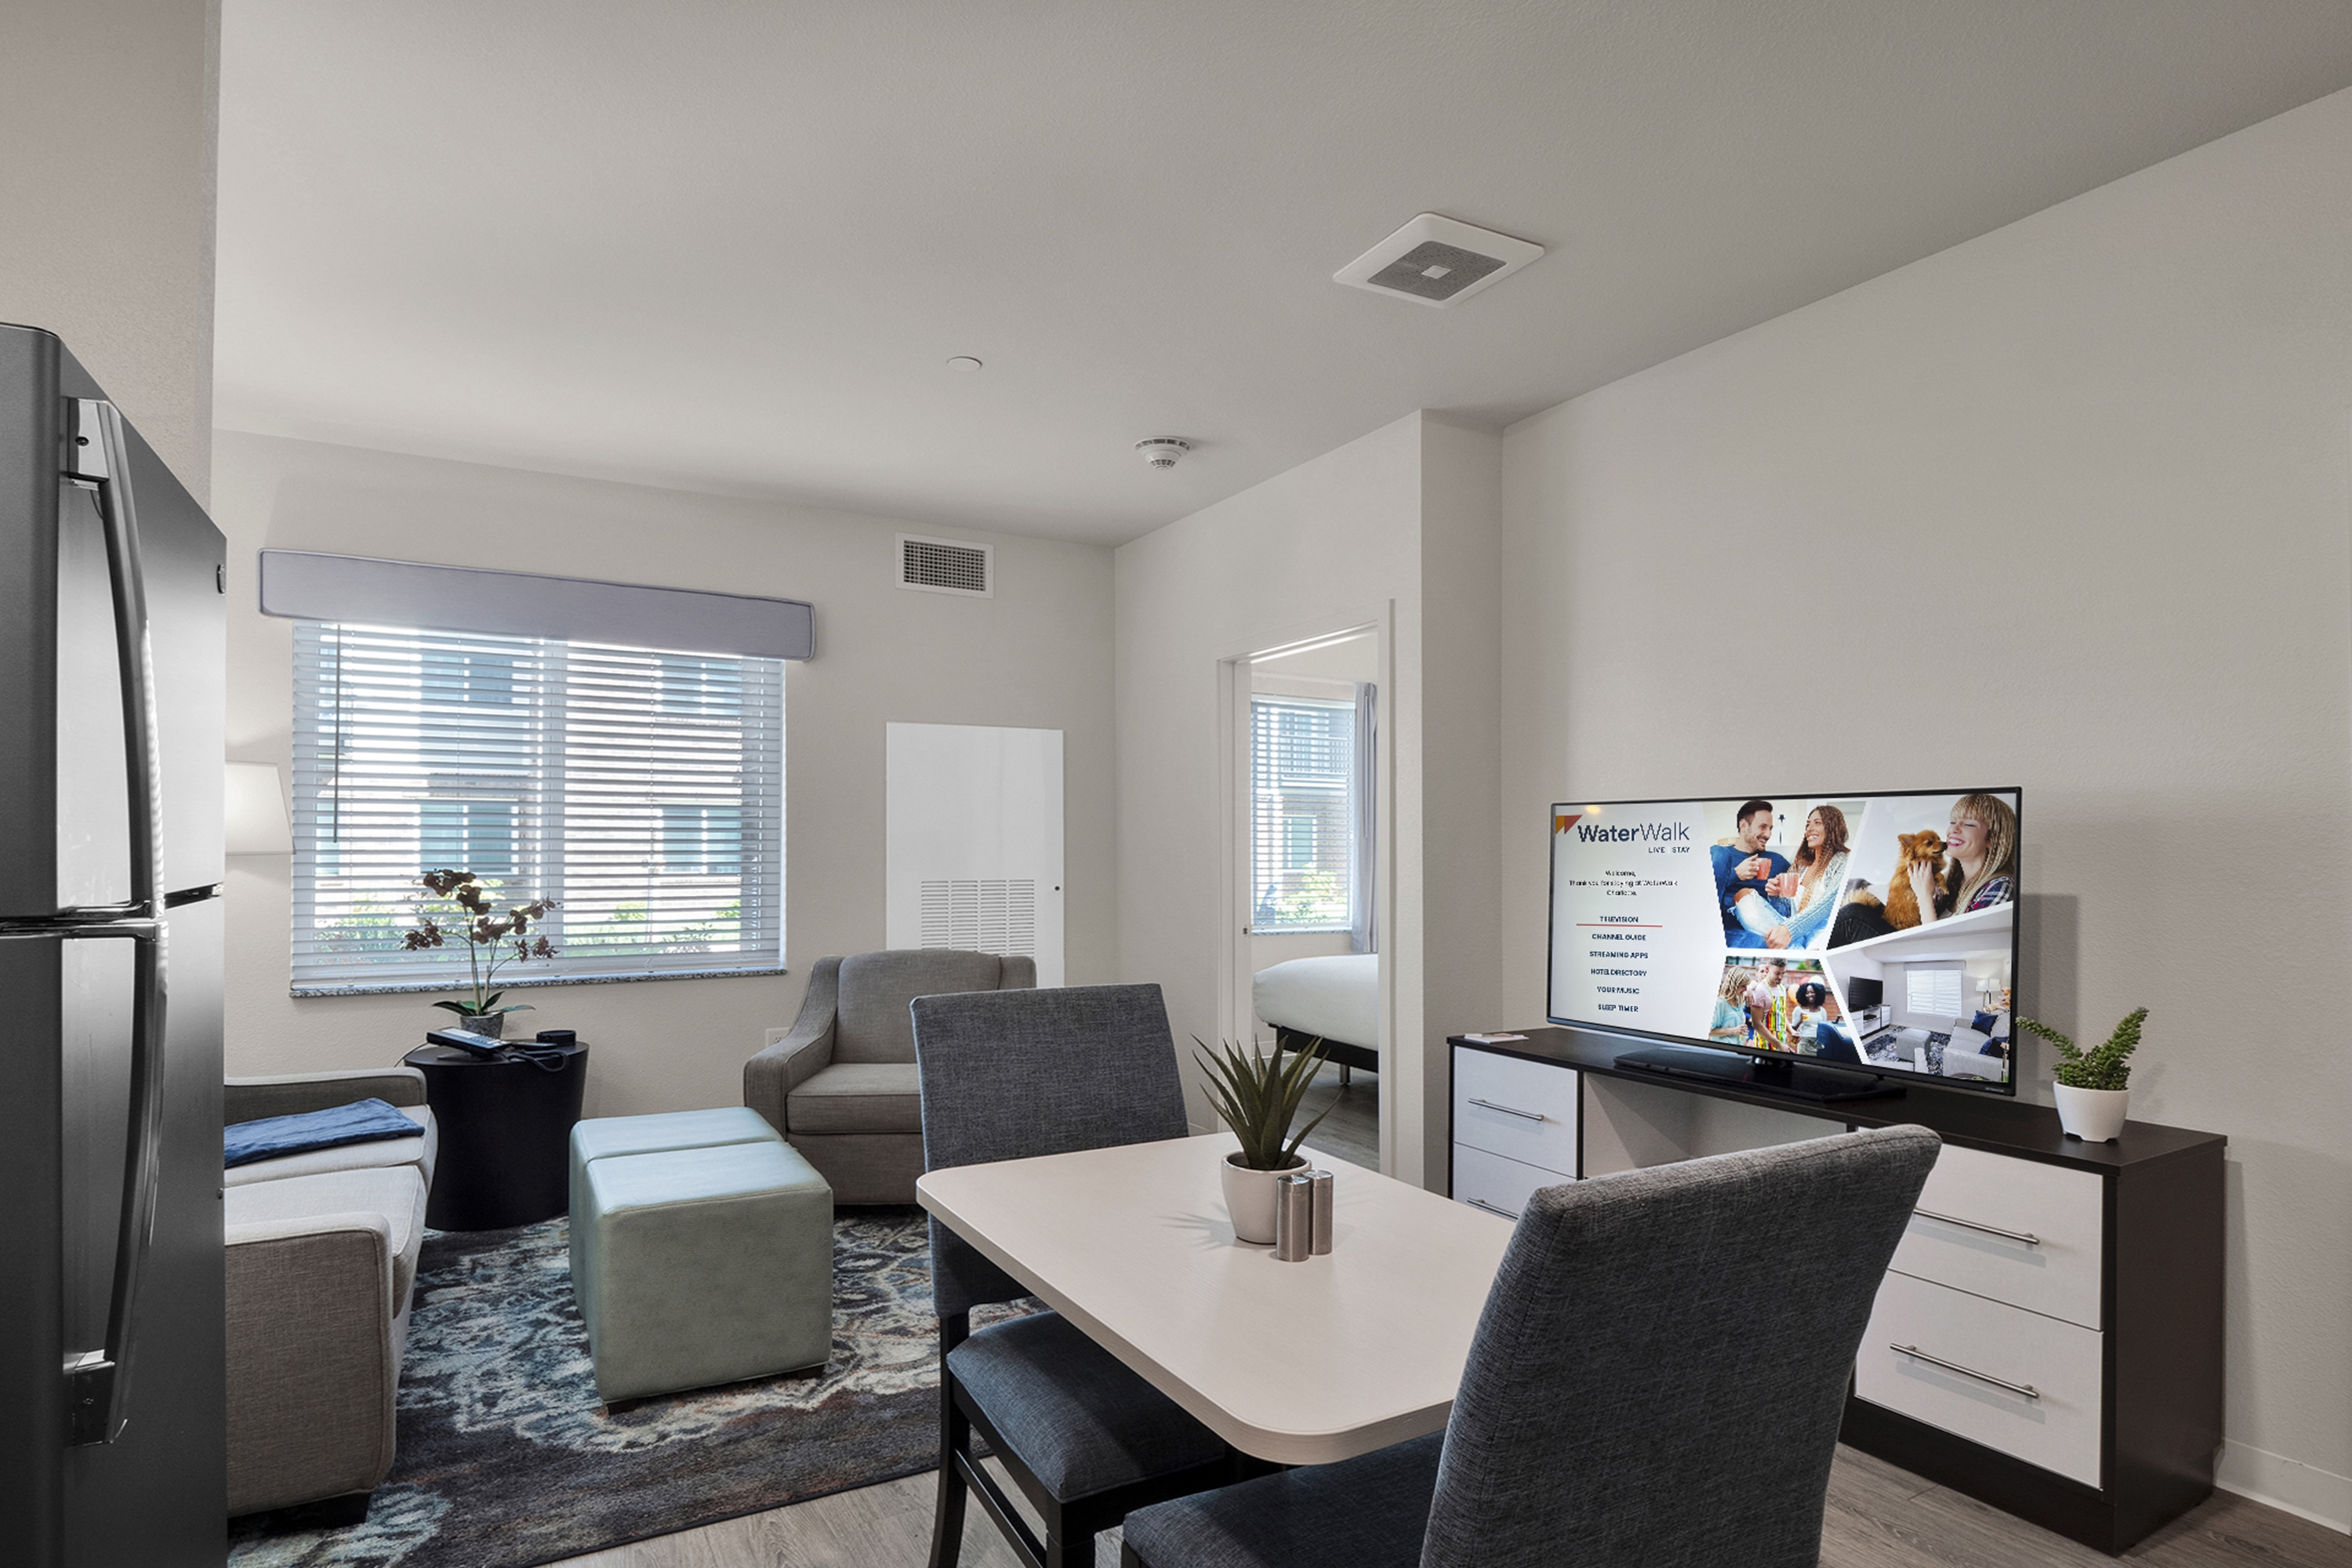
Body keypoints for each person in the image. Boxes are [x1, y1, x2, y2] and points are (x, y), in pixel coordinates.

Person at [1911, 792, 2018, 926]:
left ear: (1993, 839)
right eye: (1953, 822)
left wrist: (1924, 897)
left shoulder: (2001, 887)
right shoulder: (1948, 884)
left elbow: (1946, 941)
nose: (1953, 829)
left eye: (1969, 824)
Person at [1757, 805, 1850, 950]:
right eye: (1808, 824)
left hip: (1821, 935)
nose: (1809, 829)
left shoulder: (1844, 860)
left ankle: (1794, 949)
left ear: (1833, 827)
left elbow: (1829, 903)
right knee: (1745, 897)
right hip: (1792, 933)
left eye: (1817, 823)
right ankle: (1794, 948)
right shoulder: (1800, 866)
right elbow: (1786, 912)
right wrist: (1775, 896)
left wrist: (1789, 930)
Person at [1711, 799, 1788, 948]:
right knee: (1717, 851)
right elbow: (1699, 893)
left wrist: (1777, 896)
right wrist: (1735, 874)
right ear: (1743, 825)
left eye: (1770, 828)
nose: (1768, 834)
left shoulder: (1778, 861)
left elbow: (1794, 902)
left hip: (1754, 927)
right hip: (1722, 921)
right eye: (1763, 827)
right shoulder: (1722, 855)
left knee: (1759, 942)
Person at [1709, 966, 1755, 1043]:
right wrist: (1733, 1031)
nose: (1746, 989)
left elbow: (1756, 983)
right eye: (1743, 986)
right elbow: (1710, 1031)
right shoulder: (1720, 1003)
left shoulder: (1740, 1001)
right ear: (1734, 985)